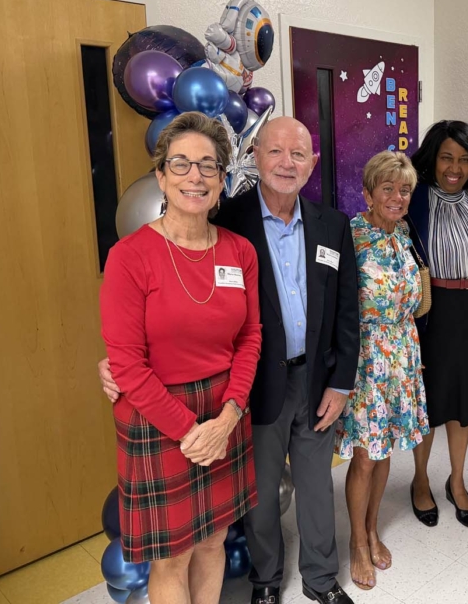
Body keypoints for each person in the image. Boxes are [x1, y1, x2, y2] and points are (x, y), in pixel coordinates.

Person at [100, 116, 360, 604]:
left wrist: (341, 382)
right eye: (275, 151)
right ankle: (266, 581)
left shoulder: (329, 225)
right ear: (254, 158)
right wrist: (115, 365)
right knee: (249, 503)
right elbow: (148, 330)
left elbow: (343, 311)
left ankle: (321, 580)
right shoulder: (230, 221)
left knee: (307, 491)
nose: (286, 163)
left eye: (298, 154)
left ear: (313, 163)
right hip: (247, 390)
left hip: (288, 385)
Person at [99, 112, 263, 604]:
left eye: (208, 165)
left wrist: (228, 416)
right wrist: (190, 431)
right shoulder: (129, 257)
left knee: (214, 539)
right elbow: (127, 365)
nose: (195, 176)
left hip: (225, 407)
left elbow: (250, 337)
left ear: (221, 180)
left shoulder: (240, 252)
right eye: (181, 164)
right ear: (161, 176)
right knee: (172, 556)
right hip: (157, 417)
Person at [335, 151, 428, 590]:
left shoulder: (404, 234)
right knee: (364, 457)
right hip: (367, 360)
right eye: (387, 188)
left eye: (404, 189)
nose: (397, 196)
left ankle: (372, 529)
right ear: (368, 193)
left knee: (386, 447)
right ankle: (357, 541)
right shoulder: (351, 237)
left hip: (403, 355)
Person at [406, 120, 468, 529]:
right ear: (432, 159)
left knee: (464, 401)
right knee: (429, 401)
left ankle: (456, 481)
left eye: (464, 159)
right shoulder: (415, 196)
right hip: (431, 310)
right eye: (447, 157)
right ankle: (420, 480)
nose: (455, 168)